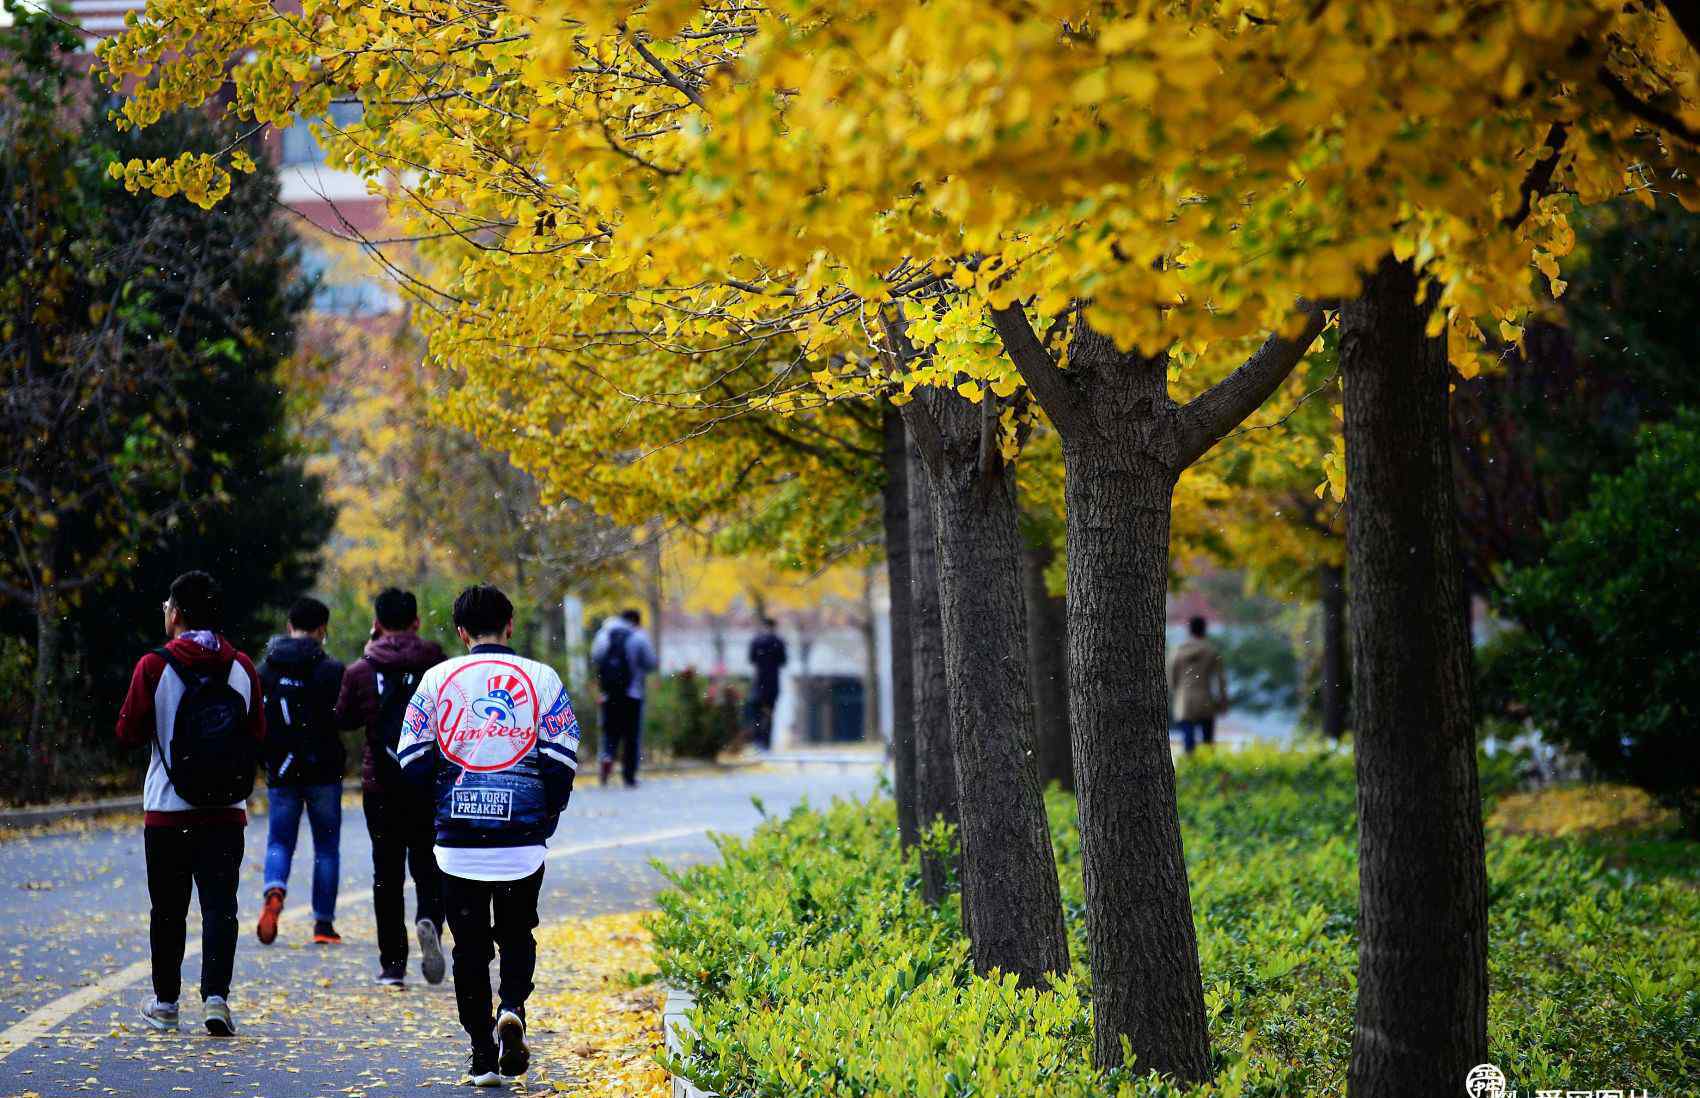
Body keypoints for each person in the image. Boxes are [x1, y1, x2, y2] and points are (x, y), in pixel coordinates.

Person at [399, 584, 579, 1086]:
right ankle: (514, 1005)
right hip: (522, 842)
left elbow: (411, 758)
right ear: (511, 624)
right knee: (518, 931)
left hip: (457, 845)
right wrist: (547, 814)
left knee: (469, 948)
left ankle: (481, 1051)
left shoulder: (437, 680)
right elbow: (562, 758)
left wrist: (437, 808)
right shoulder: (541, 678)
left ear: (460, 632)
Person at [115, 571, 266, 1037]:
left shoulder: (153, 666)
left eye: (167, 605)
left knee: (168, 908)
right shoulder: (241, 667)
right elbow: (257, 735)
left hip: (167, 808)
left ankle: (165, 1003)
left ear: (176, 613)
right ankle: (216, 998)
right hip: (225, 810)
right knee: (221, 906)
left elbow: (128, 732)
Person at [336, 587, 448, 987]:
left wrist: (369, 653)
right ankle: (429, 919)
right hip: (426, 780)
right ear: (416, 621)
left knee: (386, 872)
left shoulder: (362, 669)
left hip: (380, 783)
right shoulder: (437, 664)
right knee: (429, 865)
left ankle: (393, 964)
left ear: (378, 622)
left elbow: (343, 718)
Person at [256, 596, 347, 946]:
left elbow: (256, 719)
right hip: (323, 770)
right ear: (322, 630)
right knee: (326, 848)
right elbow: (344, 715)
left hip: (281, 769)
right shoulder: (332, 670)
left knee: (280, 841)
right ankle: (323, 925)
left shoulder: (266, 669)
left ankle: (274, 888)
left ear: (288, 627)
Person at [590, 608, 658, 787]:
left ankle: (607, 758)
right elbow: (651, 662)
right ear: (636, 621)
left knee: (610, 732)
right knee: (631, 736)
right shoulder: (639, 637)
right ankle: (629, 775)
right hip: (633, 694)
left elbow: (595, 658)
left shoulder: (603, 635)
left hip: (609, 694)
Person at [1168, 615, 1228, 754]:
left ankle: (1190, 769)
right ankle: (1207, 771)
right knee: (1207, 744)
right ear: (1204, 630)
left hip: (1184, 701)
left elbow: (1172, 679)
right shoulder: (1211, 651)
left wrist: (1177, 691)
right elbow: (1221, 679)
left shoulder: (1178, 651)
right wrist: (1223, 701)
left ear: (1189, 630)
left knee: (1188, 743)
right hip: (1205, 700)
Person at [746, 616, 788, 751]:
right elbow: (783, 661)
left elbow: (751, 659)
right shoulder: (779, 642)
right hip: (772, 683)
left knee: (756, 713)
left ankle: (757, 740)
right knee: (769, 713)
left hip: (758, 682)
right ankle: (766, 742)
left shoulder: (756, 641)